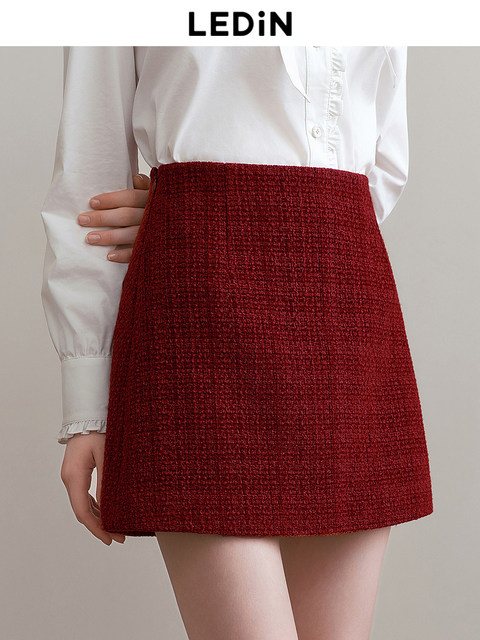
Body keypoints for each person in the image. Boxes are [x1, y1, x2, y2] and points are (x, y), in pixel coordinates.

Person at [40, 46, 434, 640]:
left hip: (347, 311)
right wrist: (87, 402)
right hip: (199, 322)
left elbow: (380, 164)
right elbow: (86, 180)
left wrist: (217, 211)